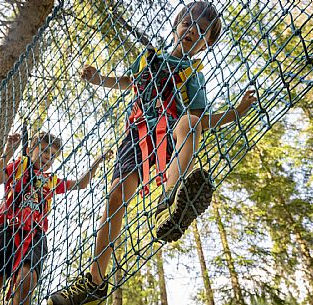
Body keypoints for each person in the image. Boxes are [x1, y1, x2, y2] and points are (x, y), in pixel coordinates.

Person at [48, 2, 257, 304]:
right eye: (187, 22)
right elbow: (125, 82)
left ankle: (171, 201)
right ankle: (94, 281)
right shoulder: (149, 59)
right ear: (176, 25)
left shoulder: (192, 76)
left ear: (207, 43)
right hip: (135, 135)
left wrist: (235, 113)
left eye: (201, 30)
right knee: (116, 195)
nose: (192, 29)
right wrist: (99, 79)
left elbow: (203, 120)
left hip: (172, 135)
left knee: (190, 121)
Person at [0, 132, 109, 305]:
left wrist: (97, 161)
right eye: (43, 151)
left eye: (52, 156)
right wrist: (8, 151)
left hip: (35, 234)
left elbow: (81, 184)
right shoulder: (20, 166)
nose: (47, 157)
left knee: (27, 280)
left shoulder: (50, 181)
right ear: (30, 150)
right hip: (6, 229)